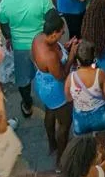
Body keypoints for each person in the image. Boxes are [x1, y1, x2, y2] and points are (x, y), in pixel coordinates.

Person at [0, 0, 52, 117]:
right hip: (41, 45)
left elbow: (3, 23)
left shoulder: (6, 1)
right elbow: (52, 19)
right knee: (47, 74)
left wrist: (9, 37)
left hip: (20, 47)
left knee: (23, 79)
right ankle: (50, 101)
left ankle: (27, 103)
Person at [31, 9, 76, 158]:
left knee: (50, 112)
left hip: (42, 84)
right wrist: (71, 57)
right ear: (54, 33)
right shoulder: (49, 55)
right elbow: (62, 76)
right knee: (64, 123)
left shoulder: (38, 38)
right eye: (62, 33)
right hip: (56, 91)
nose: (63, 35)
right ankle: (61, 159)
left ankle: (52, 144)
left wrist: (66, 48)